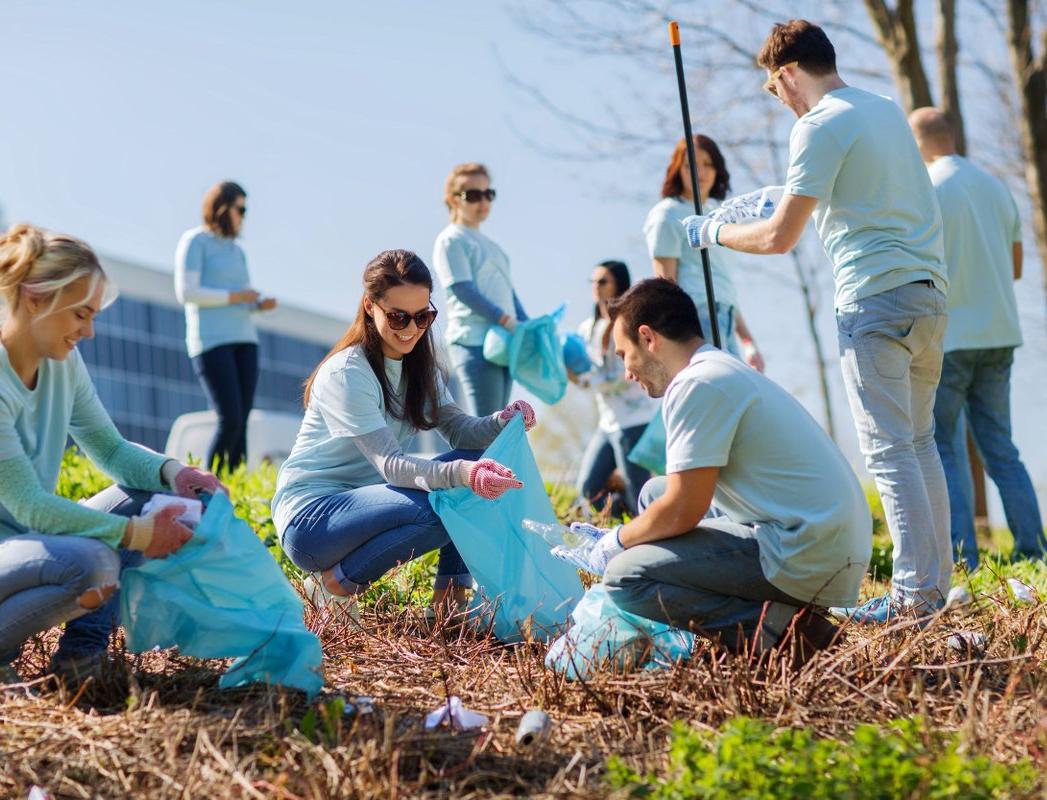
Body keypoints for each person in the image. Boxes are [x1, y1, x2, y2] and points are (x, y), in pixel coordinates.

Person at [683, 20, 951, 624]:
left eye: (774, 91)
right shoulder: (881, 108)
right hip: (928, 295)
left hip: (874, 300)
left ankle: (912, 598)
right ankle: (933, 590)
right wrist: (776, 190)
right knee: (919, 442)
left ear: (787, 74)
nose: (779, 104)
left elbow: (780, 239)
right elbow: (854, 189)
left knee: (889, 451)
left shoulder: (817, 124)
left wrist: (714, 232)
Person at [553, 279, 870, 664]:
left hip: (806, 550)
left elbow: (683, 510)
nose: (627, 372)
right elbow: (673, 500)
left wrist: (617, 541)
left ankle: (787, 631)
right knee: (654, 492)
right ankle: (773, 618)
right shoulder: (717, 369)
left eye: (624, 354)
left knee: (626, 577)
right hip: (821, 538)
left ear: (648, 337)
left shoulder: (696, 384)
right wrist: (633, 536)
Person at [0, 224, 223, 686]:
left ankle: (81, 667)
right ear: (35, 299)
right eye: (81, 314)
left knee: (163, 499)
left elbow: (109, 448)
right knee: (94, 563)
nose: (90, 331)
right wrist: (136, 534)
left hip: (25, 546)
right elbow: (29, 506)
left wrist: (175, 473)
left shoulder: (65, 364)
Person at [272, 249, 535, 621]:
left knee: (476, 467)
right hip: (313, 522)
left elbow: (460, 430)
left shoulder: (419, 368)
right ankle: (333, 584)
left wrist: (501, 421)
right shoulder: (348, 373)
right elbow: (392, 465)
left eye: (423, 316)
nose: (411, 329)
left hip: (368, 508)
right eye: (397, 317)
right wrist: (462, 476)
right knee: (446, 501)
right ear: (369, 306)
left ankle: (449, 606)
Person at [909, 107, 1045, 568]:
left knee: (942, 444)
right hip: (1000, 333)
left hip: (950, 337)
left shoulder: (925, 190)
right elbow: (1016, 267)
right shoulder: (995, 186)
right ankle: (1034, 551)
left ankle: (963, 558)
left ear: (921, 141)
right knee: (1001, 448)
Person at [175, 181, 277, 472]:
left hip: (245, 339)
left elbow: (243, 295)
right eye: (240, 209)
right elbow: (187, 292)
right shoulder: (195, 241)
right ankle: (210, 487)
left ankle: (235, 489)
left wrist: (257, 303)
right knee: (229, 418)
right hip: (211, 342)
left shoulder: (237, 251)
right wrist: (235, 296)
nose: (243, 216)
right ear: (222, 208)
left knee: (242, 419)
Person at [644, 134, 765, 369]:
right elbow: (666, 286)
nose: (700, 171)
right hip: (696, 318)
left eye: (708, 164)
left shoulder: (720, 217)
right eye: (690, 165)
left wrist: (747, 340)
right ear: (678, 169)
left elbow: (722, 286)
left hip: (724, 316)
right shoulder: (668, 214)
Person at [433, 163, 529, 417]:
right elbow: (462, 288)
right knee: (486, 426)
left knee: (499, 426)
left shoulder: (494, 246)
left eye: (489, 194)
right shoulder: (451, 239)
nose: (483, 201)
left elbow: (509, 293)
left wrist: (527, 325)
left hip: (504, 342)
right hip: (473, 341)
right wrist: (504, 318)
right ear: (453, 199)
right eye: (473, 195)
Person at [573, 260, 657, 517]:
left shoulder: (629, 323)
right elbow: (585, 366)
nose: (596, 287)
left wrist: (589, 381)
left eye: (603, 281)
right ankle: (626, 522)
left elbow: (627, 372)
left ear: (618, 284)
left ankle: (650, 535)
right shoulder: (587, 328)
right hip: (607, 422)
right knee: (588, 488)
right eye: (593, 282)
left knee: (639, 491)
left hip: (634, 419)